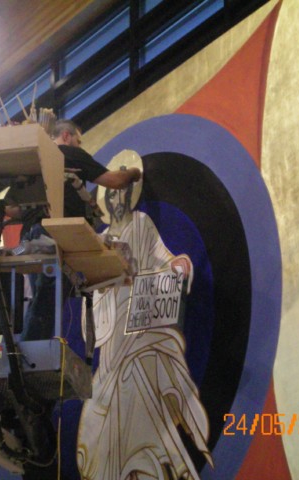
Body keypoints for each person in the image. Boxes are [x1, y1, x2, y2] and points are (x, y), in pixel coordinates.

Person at [76, 153, 213, 479]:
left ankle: (149, 460)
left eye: (123, 193)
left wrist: (180, 265)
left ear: (129, 197)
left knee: (137, 385)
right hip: (113, 330)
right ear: (107, 200)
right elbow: (90, 290)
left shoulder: (141, 224)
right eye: (113, 195)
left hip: (140, 323)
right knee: (108, 393)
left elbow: (163, 258)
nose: (118, 199)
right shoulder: (100, 239)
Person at [15, 120, 142, 340]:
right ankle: (29, 352)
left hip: (30, 238)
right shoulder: (68, 153)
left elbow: (13, 209)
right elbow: (115, 181)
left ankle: (30, 348)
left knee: (41, 300)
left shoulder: (34, 160)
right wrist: (134, 172)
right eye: (78, 140)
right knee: (48, 302)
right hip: (55, 234)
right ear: (66, 136)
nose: (79, 145)